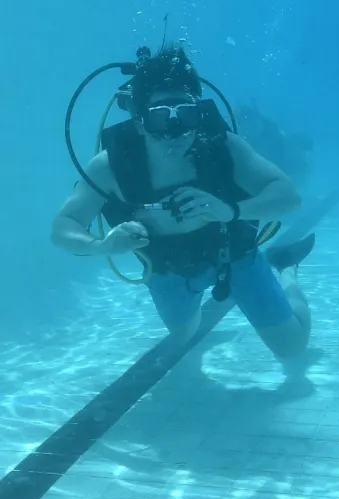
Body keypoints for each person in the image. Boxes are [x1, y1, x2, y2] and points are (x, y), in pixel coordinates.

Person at [51, 45, 314, 382]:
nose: (175, 131)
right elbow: (63, 226)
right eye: (161, 117)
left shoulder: (223, 148)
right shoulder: (112, 165)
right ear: (139, 119)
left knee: (293, 348)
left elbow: (288, 196)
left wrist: (232, 210)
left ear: (198, 113)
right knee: (184, 334)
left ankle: (287, 269)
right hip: (168, 272)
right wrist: (103, 245)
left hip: (235, 259)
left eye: (186, 115)